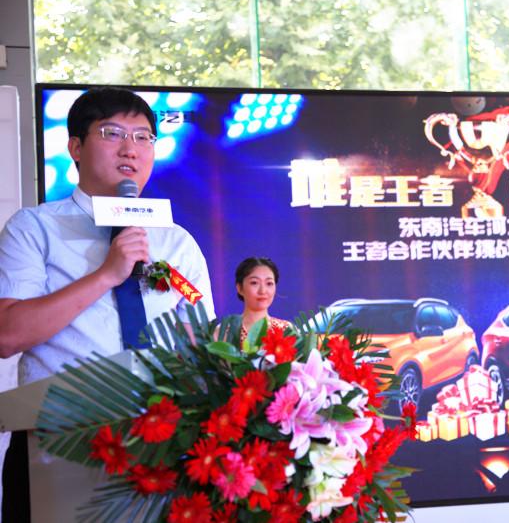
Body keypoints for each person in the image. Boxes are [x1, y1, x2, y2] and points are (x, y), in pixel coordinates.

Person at [0, 87, 215, 521]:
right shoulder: (35, 228)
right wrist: (107, 275)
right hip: (56, 446)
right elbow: (8, 334)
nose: (130, 149)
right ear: (75, 147)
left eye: (143, 137)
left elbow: (202, 349)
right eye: (112, 133)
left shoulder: (176, 241)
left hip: (161, 450)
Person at [234, 257, 291, 344]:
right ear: (240, 288)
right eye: (254, 283)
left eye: (269, 283)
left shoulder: (286, 330)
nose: (263, 291)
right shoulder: (225, 333)